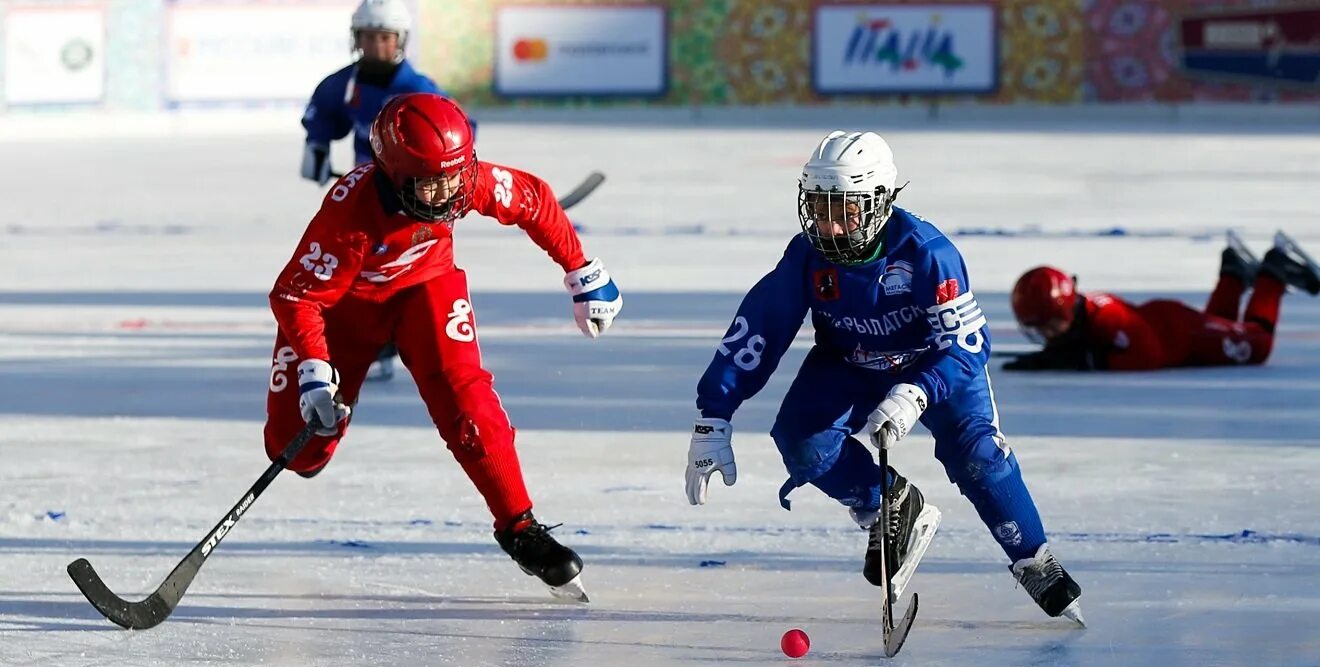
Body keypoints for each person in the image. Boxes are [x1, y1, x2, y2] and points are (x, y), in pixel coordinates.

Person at [683, 130, 1084, 625]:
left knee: (976, 454)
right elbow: (759, 328)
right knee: (800, 440)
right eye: (818, 207)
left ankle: (1034, 558)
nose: (828, 226)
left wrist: (917, 392)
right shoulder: (808, 255)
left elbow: (968, 347)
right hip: (849, 361)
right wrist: (714, 415)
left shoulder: (927, 253)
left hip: (933, 366)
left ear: (879, 202)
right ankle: (888, 506)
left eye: (842, 210)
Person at [266, 93, 623, 601]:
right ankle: (323, 423)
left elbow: (535, 199)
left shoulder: (460, 177)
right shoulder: (351, 218)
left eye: (454, 176)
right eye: (430, 182)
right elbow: (296, 295)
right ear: (392, 173)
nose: (448, 192)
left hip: (425, 292)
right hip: (342, 312)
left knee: (469, 401)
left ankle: (521, 528)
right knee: (294, 451)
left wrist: (582, 272)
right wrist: (315, 374)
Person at [300, 0, 470, 383]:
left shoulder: (417, 90)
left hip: (410, 201)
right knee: (349, 269)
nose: (375, 46)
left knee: (398, 273)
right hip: (363, 196)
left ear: (400, 41)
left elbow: (456, 128)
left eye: (383, 37)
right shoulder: (346, 83)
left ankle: (387, 345)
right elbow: (324, 111)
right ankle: (367, 344)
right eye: (367, 37)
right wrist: (318, 145)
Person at [1005, 231, 1320, 372]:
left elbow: (1148, 355)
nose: (1047, 336)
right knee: (1223, 328)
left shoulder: (1108, 317)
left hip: (1182, 333)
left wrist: (1089, 362)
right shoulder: (1080, 316)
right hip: (1177, 329)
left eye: (1049, 327)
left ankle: (1275, 272)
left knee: (1256, 344)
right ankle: (1233, 273)